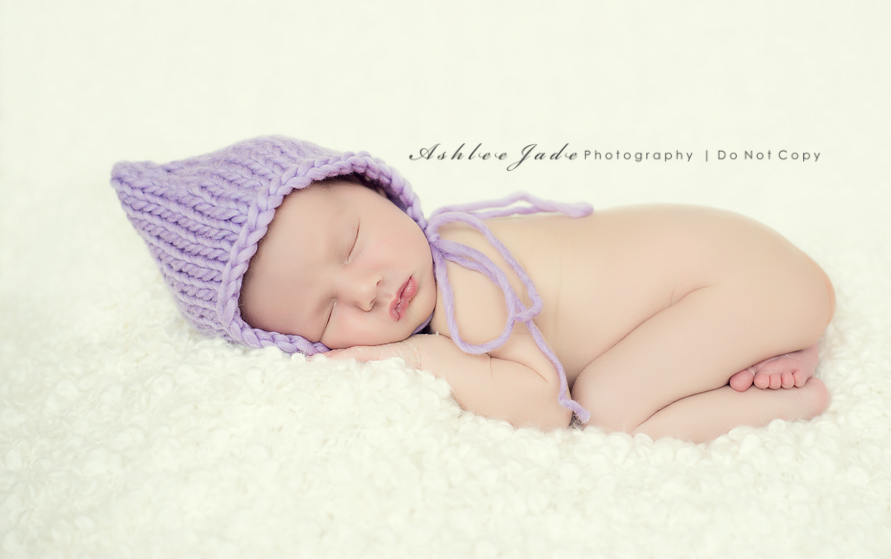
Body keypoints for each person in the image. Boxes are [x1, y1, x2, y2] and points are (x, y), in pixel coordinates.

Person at [112, 136, 833, 443]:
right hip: (741, 276)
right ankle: (763, 347)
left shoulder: (466, 267)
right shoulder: (445, 274)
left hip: (737, 279)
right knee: (628, 377)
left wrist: (421, 358)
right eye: (326, 312)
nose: (366, 290)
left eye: (352, 243)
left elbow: (545, 407)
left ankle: (793, 399)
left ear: (375, 188)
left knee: (608, 408)